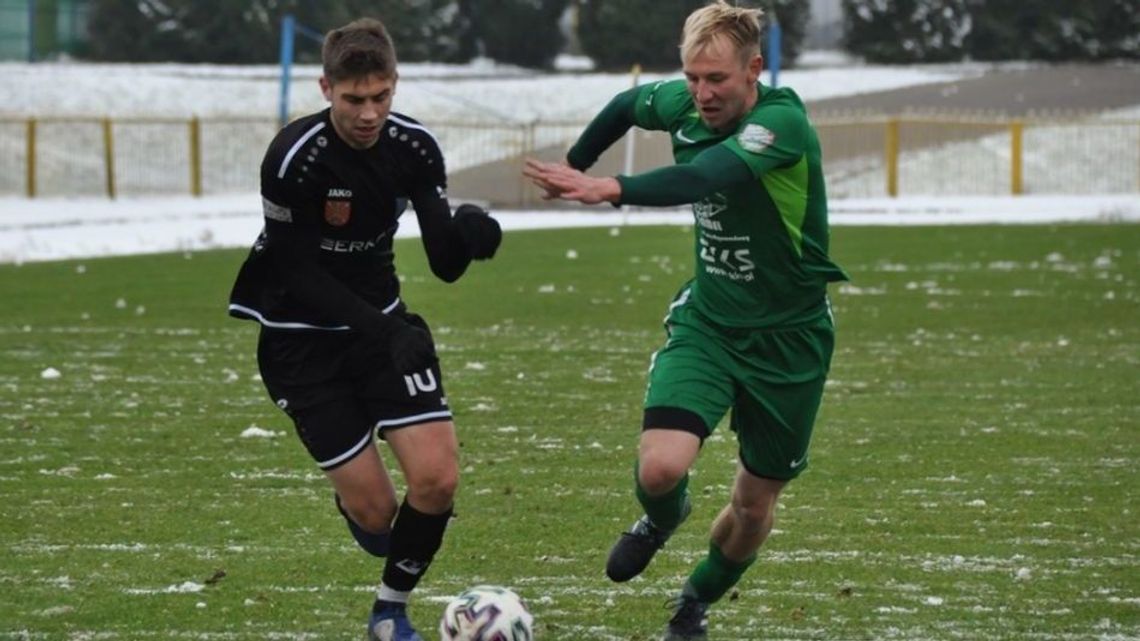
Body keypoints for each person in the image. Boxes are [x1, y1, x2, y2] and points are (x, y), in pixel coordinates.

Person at [523, 2, 847, 639]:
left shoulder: (780, 125)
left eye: (716, 80)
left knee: (753, 509)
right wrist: (576, 163)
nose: (700, 93)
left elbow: (706, 175)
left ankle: (694, 601)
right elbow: (625, 105)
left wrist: (610, 188)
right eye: (692, 77)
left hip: (791, 341)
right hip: (710, 322)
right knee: (660, 469)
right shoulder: (684, 100)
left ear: (754, 69)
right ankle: (661, 518)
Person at [227, 17, 501, 641]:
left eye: (381, 96)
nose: (369, 113)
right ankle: (359, 505)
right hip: (300, 338)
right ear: (326, 88)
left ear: (394, 85)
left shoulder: (414, 147)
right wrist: (384, 330)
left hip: (382, 327)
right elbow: (296, 271)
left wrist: (471, 236)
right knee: (379, 518)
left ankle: (388, 612)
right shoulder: (294, 157)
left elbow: (443, 262)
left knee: (436, 481)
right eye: (354, 99)